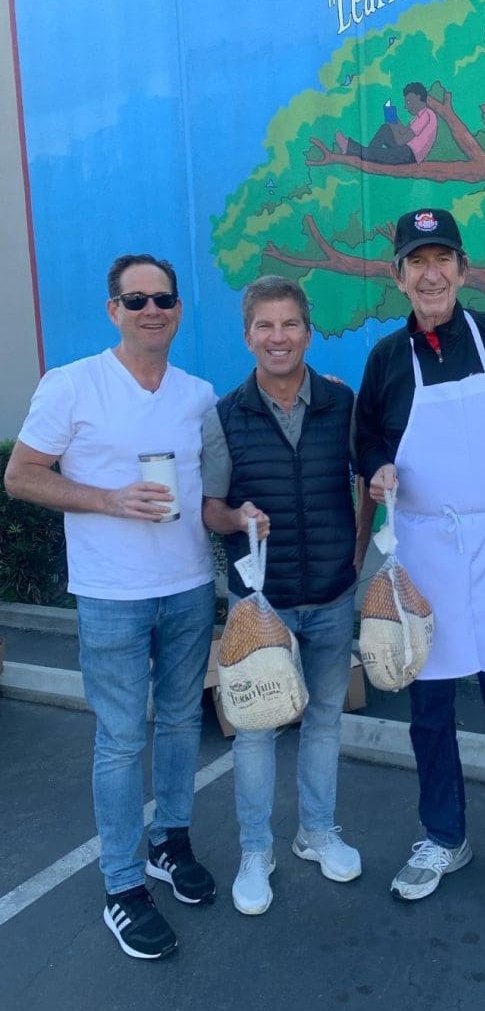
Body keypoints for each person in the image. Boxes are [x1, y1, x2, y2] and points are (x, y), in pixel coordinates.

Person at [355, 208, 485, 942]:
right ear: (399, 276)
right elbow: (365, 444)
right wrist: (376, 468)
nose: (430, 272)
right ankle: (444, 836)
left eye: (441, 257)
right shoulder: (386, 359)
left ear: (462, 267)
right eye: (416, 261)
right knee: (429, 712)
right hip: (423, 554)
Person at [4, 255, 218, 960]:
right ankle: (123, 886)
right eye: (136, 299)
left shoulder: (196, 394)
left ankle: (170, 843)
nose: (151, 309)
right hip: (111, 595)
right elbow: (22, 476)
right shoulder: (72, 384)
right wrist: (108, 500)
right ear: (113, 310)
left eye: (163, 298)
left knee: (185, 722)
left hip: (188, 587)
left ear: (178, 309)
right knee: (122, 741)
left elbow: (210, 492)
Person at [201, 275, 362, 917]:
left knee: (323, 721)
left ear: (307, 330)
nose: (278, 337)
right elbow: (210, 509)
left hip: (330, 596)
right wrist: (238, 517)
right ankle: (254, 851)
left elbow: (368, 482)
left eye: (289, 324)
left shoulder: (341, 404)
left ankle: (317, 832)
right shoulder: (223, 414)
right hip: (256, 609)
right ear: (248, 337)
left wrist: (355, 552)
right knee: (255, 733)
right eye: (265, 327)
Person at [335, 82, 438, 165]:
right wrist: (393, 116)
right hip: (405, 150)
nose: (406, 107)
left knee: (381, 153)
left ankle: (349, 146)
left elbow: (401, 140)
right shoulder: (418, 117)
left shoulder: (426, 114)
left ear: (418, 97)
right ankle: (369, 155)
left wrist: (392, 123)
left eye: (409, 102)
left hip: (409, 154)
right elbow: (403, 131)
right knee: (386, 129)